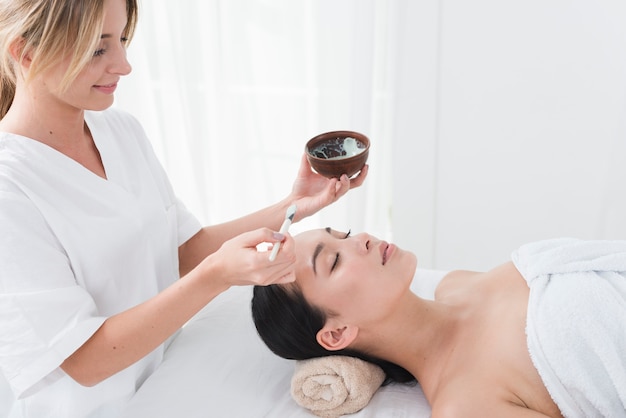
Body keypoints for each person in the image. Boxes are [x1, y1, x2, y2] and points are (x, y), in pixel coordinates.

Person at [0, 0, 367, 416]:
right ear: (26, 52)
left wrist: (292, 206)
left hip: (163, 389)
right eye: (98, 49)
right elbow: (84, 360)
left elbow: (183, 252)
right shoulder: (10, 187)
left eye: (122, 40)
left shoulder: (121, 132)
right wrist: (217, 277)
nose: (124, 65)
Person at [252, 228, 626, 418]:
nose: (363, 239)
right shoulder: (464, 405)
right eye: (333, 261)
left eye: (344, 234)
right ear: (337, 333)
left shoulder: (459, 283)